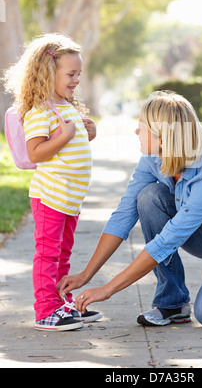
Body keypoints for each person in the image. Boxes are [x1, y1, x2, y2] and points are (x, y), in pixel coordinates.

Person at [58, 91, 202, 328]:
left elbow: (166, 242)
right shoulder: (153, 158)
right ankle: (173, 303)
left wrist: (108, 289)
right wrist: (86, 274)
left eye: (141, 126)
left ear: (162, 137)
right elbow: (123, 215)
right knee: (148, 198)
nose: (136, 132)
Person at [3, 33, 102, 331]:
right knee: (48, 252)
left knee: (63, 253)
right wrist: (65, 136)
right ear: (49, 72)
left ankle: (62, 303)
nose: (76, 80)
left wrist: (88, 132)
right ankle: (46, 309)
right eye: (71, 74)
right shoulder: (39, 111)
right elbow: (36, 152)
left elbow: (73, 145)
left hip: (70, 199)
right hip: (50, 196)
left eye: (79, 74)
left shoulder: (67, 107)